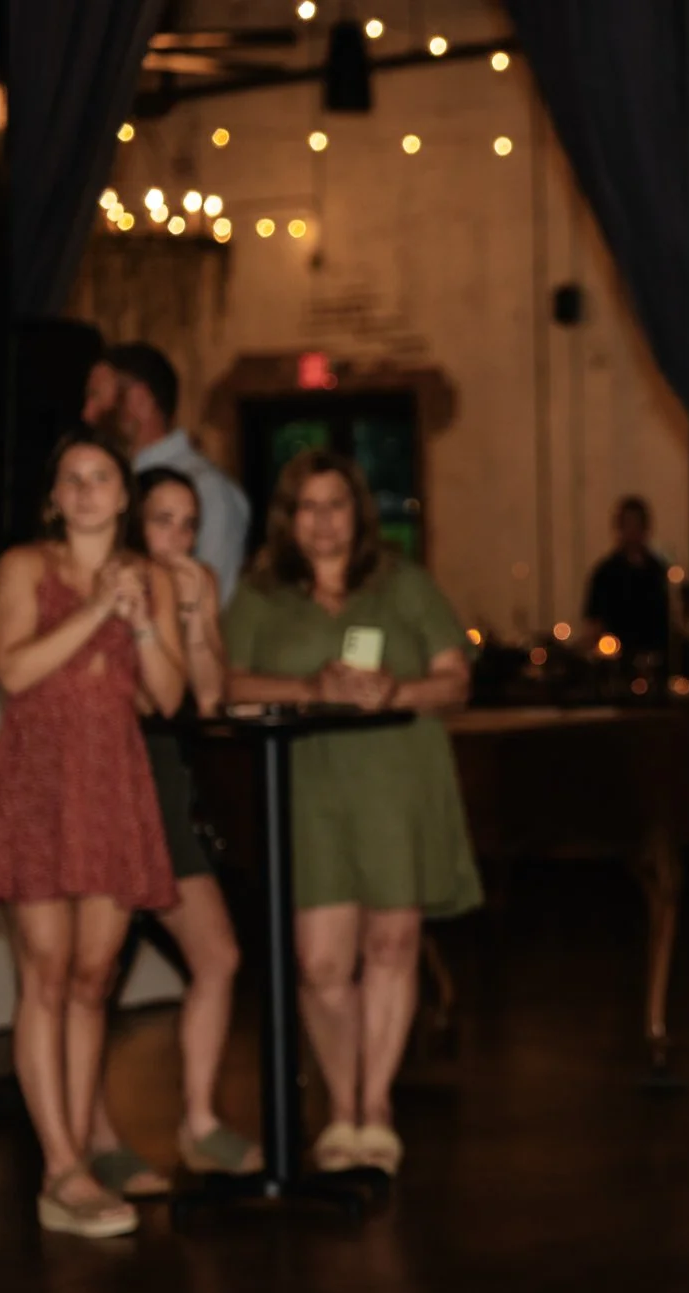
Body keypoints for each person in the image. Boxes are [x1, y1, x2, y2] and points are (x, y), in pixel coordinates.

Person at [222, 449, 482, 1176]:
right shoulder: (262, 591)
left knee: (393, 947)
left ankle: (374, 1109)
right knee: (321, 962)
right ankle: (340, 1107)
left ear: (358, 512)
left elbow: (454, 679)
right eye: (307, 505)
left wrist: (391, 692)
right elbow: (225, 683)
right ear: (287, 517)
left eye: (335, 504)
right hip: (308, 784)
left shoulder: (402, 583)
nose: (322, 520)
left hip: (398, 778)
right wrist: (313, 686)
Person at [0, 428, 186, 1238]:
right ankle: (61, 1166)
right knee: (48, 968)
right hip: (38, 775)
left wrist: (139, 622)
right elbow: (14, 672)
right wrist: (96, 604)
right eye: (73, 479)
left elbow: (166, 698)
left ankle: (77, 1158)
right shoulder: (26, 566)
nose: (89, 490)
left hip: (111, 780)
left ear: (125, 495)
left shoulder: (150, 577)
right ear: (54, 497)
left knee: (96, 973)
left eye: (102, 477)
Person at [80, 469, 258, 1183]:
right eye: (162, 520)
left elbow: (208, 698)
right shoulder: (112, 582)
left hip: (166, 788)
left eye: (187, 524)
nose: (177, 538)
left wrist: (199, 614)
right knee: (95, 974)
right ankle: (94, 1135)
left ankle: (199, 1120)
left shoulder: (191, 583)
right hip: (108, 784)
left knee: (218, 955)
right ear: (132, 521)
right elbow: (139, 700)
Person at [103, 342, 252, 600]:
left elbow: (214, 602)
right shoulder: (115, 481)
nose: (88, 412)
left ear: (138, 401)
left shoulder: (207, 487)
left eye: (97, 396)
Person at [582, 495, 675, 675]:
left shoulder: (658, 571)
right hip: (617, 665)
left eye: (637, 525)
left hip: (657, 661)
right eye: (627, 525)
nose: (632, 531)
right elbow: (593, 621)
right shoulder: (605, 573)